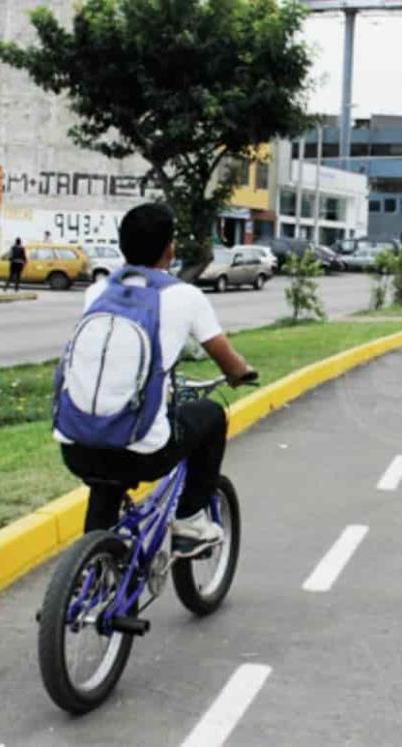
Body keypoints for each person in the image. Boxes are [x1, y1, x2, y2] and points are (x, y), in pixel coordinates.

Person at [55, 202, 256, 538]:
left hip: (76, 444)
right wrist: (240, 373)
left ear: (122, 246)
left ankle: (93, 572)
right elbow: (229, 363)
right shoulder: (186, 296)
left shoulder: (98, 291)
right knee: (211, 414)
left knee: (106, 469)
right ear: (170, 248)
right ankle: (191, 518)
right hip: (142, 454)